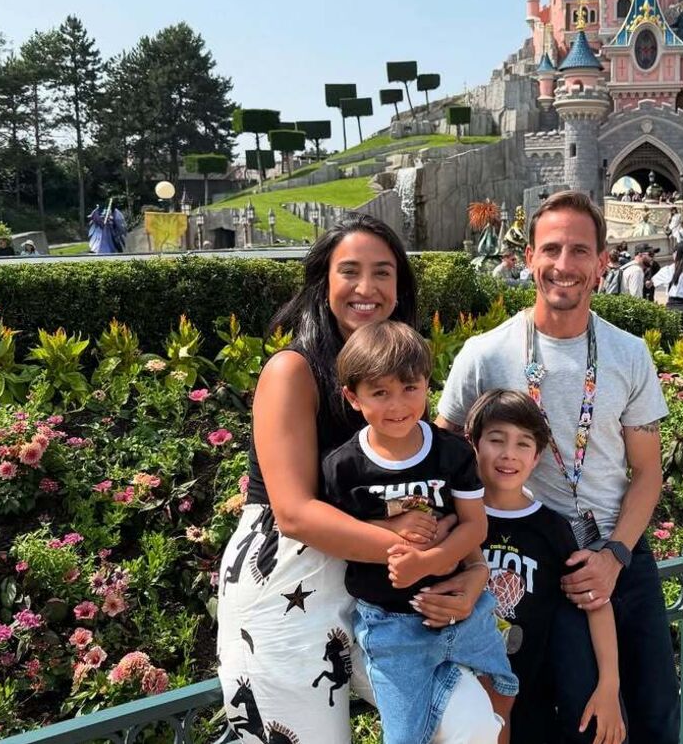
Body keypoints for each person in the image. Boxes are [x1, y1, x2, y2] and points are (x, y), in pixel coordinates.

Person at [217, 216, 497, 744]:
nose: (366, 288)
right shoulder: (292, 371)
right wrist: (418, 553)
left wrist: (470, 569)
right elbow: (294, 512)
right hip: (288, 579)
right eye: (350, 271)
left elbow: (436, 494)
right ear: (324, 282)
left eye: (383, 273)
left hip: (382, 590)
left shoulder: (395, 373)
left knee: (469, 722)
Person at [437, 191, 679, 744]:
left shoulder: (628, 353)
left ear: (601, 262)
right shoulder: (485, 353)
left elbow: (647, 472)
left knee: (655, 711)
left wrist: (615, 556)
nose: (563, 266)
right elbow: (446, 461)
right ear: (528, 257)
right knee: (572, 717)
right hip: (532, 555)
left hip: (620, 549)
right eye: (550, 249)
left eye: (579, 251)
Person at [322, 323, 516, 744]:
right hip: (391, 624)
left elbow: (475, 524)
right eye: (380, 392)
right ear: (352, 398)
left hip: (462, 609)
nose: (398, 405)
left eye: (410, 388)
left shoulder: (451, 452)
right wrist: (389, 529)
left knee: (503, 688)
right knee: (406, 735)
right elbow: (339, 533)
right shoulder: (344, 467)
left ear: (428, 383)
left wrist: (429, 561)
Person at [468, 390, 624, 744]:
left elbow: (596, 601)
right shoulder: (461, 517)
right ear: (473, 443)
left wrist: (609, 685)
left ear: (537, 457)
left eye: (523, 444)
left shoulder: (553, 528)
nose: (509, 454)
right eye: (496, 439)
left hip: (531, 695)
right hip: (462, 693)